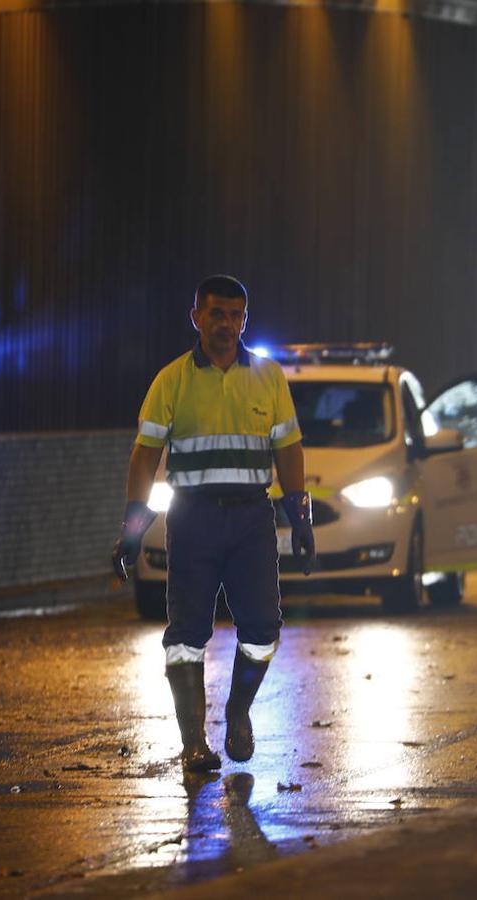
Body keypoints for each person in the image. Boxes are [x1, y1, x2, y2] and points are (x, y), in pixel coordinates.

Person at [111, 275, 315, 770]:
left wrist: (298, 515)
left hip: (251, 518)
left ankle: (239, 712)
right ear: (196, 316)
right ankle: (193, 745)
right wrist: (133, 528)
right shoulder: (172, 381)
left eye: (236, 315)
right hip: (194, 518)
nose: (227, 324)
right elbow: (145, 457)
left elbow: (287, 448)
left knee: (263, 628)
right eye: (217, 314)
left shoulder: (267, 378)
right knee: (185, 634)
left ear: (246, 320)